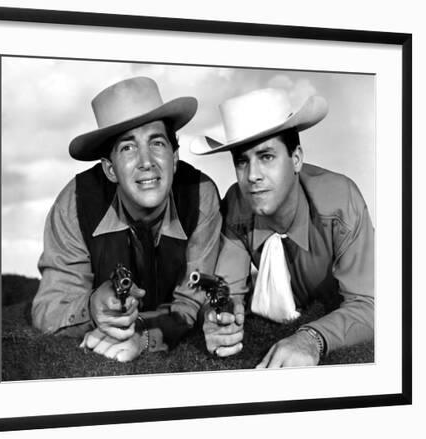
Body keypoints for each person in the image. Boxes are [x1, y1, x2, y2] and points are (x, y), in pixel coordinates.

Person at [32, 76, 222, 362]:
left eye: (157, 143)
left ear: (175, 157)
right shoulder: (73, 204)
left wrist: (145, 338)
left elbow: (191, 304)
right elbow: (50, 307)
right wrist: (92, 307)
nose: (146, 161)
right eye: (128, 148)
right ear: (109, 169)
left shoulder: (201, 196)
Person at [191, 88, 374, 367]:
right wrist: (220, 319)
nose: (252, 176)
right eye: (242, 161)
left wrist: (312, 338)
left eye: (266, 157)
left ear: (297, 158)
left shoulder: (341, 203)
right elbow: (228, 291)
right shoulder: (237, 205)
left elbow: (370, 305)